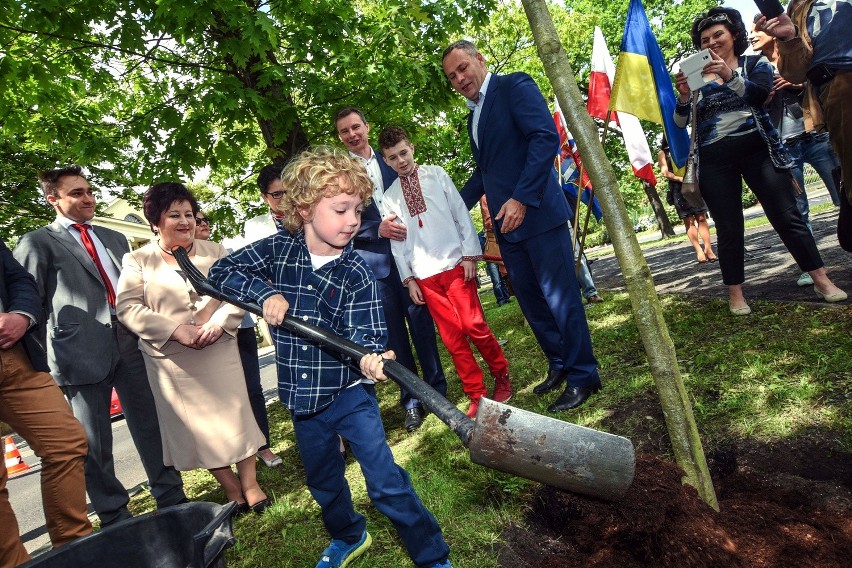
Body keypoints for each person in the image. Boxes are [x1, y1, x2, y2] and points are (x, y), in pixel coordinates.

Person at [207, 147, 453, 568]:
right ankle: (348, 534)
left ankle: (431, 555)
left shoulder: (356, 271)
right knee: (323, 481)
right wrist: (265, 294)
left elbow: (368, 333)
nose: (354, 220)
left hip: (349, 395)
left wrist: (370, 357)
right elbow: (220, 273)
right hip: (303, 400)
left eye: (358, 209)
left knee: (385, 482)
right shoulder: (278, 251)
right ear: (303, 208)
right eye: (341, 210)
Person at [14, 166, 187, 528]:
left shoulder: (113, 237)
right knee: (94, 441)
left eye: (89, 191)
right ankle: (114, 514)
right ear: (53, 199)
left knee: (151, 423)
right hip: (77, 351)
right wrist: (41, 362)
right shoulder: (37, 242)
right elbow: (29, 302)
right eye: (76, 193)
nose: (88, 198)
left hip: (130, 339)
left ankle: (171, 498)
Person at [442, 40, 601, 412]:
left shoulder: (514, 86)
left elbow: (545, 138)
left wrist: (522, 197)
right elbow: (486, 172)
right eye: (452, 76)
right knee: (531, 301)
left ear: (480, 60)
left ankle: (583, 374)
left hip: (538, 214)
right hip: (507, 228)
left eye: (463, 68)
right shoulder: (473, 116)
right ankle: (560, 362)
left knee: (561, 298)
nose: (459, 78)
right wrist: (448, 208)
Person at [673, 8, 846, 315]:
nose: (711, 42)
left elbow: (760, 97)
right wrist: (684, 96)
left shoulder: (754, 63)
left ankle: (821, 280)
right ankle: (736, 294)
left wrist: (729, 77)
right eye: (704, 39)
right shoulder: (697, 78)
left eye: (718, 35)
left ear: (734, 36)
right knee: (728, 226)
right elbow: (679, 122)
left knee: (787, 216)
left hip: (758, 149)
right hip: (714, 157)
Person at [116, 183, 268, 514]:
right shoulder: (137, 260)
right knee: (196, 430)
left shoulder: (215, 251)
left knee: (236, 417)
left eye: (189, 214)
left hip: (218, 347)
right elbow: (128, 308)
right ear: (155, 220)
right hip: (171, 359)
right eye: (175, 215)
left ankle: (251, 484)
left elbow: (238, 294)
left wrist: (220, 323)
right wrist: (174, 330)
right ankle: (231, 489)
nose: (185, 221)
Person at [378, 126, 512, 418]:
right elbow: (397, 241)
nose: (401, 160)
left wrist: (469, 255)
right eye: (393, 157)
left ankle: (501, 373)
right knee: (452, 339)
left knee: (474, 325)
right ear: (386, 161)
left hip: (454, 264)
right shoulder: (389, 197)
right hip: (425, 275)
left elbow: (460, 214)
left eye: (403, 152)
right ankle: (476, 393)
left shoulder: (436, 174)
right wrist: (409, 278)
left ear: (411, 148)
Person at [334, 107, 447, 432]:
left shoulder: (391, 157)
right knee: (394, 337)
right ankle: (411, 400)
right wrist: (375, 231)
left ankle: (437, 392)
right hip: (376, 267)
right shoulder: (340, 175)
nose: (352, 134)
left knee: (423, 327)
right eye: (345, 131)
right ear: (341, 137)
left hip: (413, 256)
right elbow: (341, 222)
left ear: (367, 127)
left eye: (356, 126)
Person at [0, 239, 90, 567]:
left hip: (15, 354)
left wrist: (22, 314)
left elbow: (17, 278)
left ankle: (74, 550)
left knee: (66, 443)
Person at [750, 14, 843, 286]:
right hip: (783, 145)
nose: (753, 36)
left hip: (816, 135)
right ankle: (812, 267)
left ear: (771, 30)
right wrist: (761, 96)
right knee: (797, 209)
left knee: (843, 193)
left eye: (757, 30)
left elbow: (822, 80)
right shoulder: (753, 66)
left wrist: (796, 83)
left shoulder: (798, 50)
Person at [195, 212, 282, 468]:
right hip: (200, 336)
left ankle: (262, 446)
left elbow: (241, 292)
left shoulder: (226, 252)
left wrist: (221, 319)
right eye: (195, 219)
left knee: (252, 389)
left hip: (237, 329)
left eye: (202, 219)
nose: (200, 223)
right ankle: (230, 453)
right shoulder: (169, 260)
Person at [657, 137, 718, 265]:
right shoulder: (663, 153)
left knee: (701, 217)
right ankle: (698, 251)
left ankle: (708, 248)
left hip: (694, 185)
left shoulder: (688, 145)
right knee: (689, 220)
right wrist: (681, 179)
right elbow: (665, 172)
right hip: (678, 189)